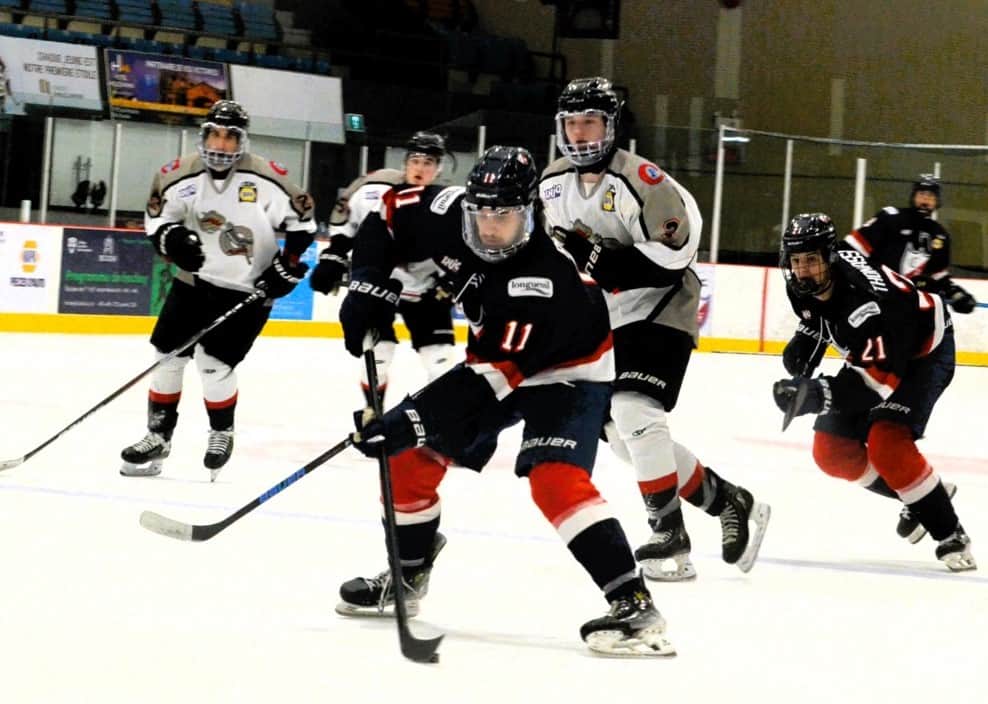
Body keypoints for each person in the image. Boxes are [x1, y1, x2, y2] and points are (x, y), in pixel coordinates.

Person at [335, 146, 675, 657]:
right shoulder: (451, 212)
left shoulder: (544, 278)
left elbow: (486, 384)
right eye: (483, 214)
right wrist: (365, 286)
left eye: (507, 216)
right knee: (406, 459)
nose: (491, 228)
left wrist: (409, 418)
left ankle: (633, 604)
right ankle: (406, 577)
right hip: (493, 362)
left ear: (531, 212)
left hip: (570, 373)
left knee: (554, 479)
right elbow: (384, 216)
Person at [540, 76, 770, 580]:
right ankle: (728, 500)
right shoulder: (552, 185)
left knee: (633, 407)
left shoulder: (642, 182)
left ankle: (668, 536)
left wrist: (599, 258)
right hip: (606, 314)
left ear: (611, 126)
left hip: (664, 303)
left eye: (590, 123)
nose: (580, 135)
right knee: (624, 438)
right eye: (572, 124)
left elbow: (670, 263)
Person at [120, 100, 316, 480]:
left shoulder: (265, 177)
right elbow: (158, 221)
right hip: (193, 283)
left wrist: (287, 266)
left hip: (248, 292)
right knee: (166, 356)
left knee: (213, 364)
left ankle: (221, 431)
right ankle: (158, 436)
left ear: (241, 140)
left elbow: (303, 221)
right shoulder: (177, 175)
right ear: (203, 134)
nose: (220, 144)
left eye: (230, 136)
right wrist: (171, 239)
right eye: (214, 133)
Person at [773, 213, 975, 572]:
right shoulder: (805, 284)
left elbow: (877, 383)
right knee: (831, 451)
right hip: (880, 349)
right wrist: (808, 340)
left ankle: (950, 532)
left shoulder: (868, 305)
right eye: (796, 260)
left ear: (830, 257)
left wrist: (817, 394)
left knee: (887, 442)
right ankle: (925, 496)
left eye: (812, 260)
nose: (802, 270)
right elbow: (823, 317)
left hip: (924, 353)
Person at [310, 131, 457, 408]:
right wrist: (332, 259)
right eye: (415, 161)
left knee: (441, 362)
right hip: (378, 287)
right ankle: (372, 414)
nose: (420, 168)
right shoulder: (371, 188)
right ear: (405, 163)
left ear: (438, 168)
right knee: (379, 354)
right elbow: (344, 228)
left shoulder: (446, 203)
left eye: (429, 162)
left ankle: (438, 424)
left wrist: (451, 282)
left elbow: (461, 251)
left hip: (425, 291)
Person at [845, 174, 977, 315]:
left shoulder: (940, 235)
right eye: (921, 194)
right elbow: (850, 249)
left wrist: (956, 294)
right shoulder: (890, 218)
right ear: (913, 196)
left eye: (931, 196)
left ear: (937, 201)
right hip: (874, 302)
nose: (925, 199)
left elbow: (938, 277)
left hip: (908, 309)